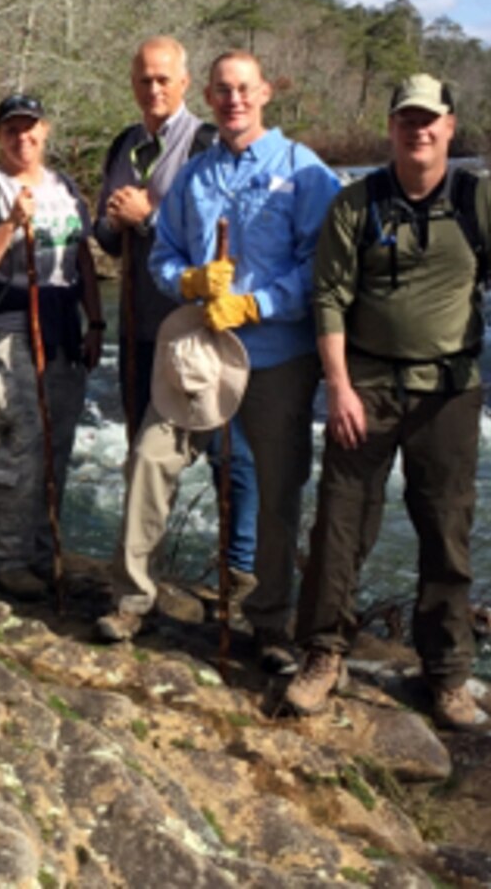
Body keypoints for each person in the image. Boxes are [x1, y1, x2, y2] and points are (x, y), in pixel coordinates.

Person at [284, 74, 491, 732]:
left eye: (429, 120)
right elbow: (328, 299)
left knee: (446, 531)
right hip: (366, 387)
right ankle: (323, 655)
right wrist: (339, 387)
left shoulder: (481, 201)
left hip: (449, 389)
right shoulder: (356, 204)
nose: (418, 130)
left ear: (449, 127)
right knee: (339, 525)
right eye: (406, 120)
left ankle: (445, 675)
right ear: (392, 128)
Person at [99, 51, 342, 658]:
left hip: (274, 357)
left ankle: (269, 620)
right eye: (223, 90)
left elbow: (324, 265)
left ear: (264, 93)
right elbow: (163, 255)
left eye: (244, 89)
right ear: (208, 97)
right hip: (197, 352)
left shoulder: (304, 172)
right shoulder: (194, 176)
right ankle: (131, 599)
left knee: (277, 487)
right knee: (150, 458)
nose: (234, 100)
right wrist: (188, 281)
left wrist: (257, 304)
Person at [0, 93, 104, 599]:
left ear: (45, 130)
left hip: (63, 325)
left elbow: (82, 259)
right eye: (12, 129)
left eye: (30, 127)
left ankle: (44, 550)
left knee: (58, 442)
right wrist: (10, 225)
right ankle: (5, 556)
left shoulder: (65, 188)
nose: (23, 138)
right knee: (21, 439)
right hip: (8, 325)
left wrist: (96, 322)